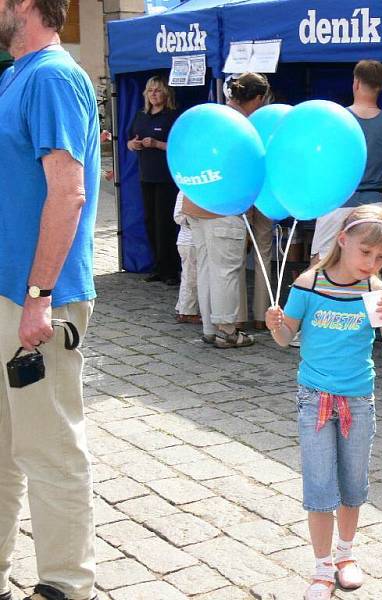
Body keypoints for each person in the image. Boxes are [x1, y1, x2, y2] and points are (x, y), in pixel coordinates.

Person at [0, 0, 100, 597]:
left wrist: (38, 295)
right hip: (11, 292)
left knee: (51, 447)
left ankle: (65, 584)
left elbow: (69, 194)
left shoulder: (55, 76)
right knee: (6, 448)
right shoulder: (17, 75)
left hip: (41, 299)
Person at [266, 205, 382, 600]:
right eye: (366, 252)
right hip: (314, 400)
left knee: (352, 482)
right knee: (319, 482)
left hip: (359, 400)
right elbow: (284, 339)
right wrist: (277, 324)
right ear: (342, 239)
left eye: (380, 257)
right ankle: (322, 565)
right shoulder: (308, 285)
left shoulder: (375, 291)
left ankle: (346, 554)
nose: (372, 263)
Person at [183, 72, 270, 348]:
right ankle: (227, 331)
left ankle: (211, 328)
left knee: (208, 268)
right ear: (257, 98)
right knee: (226, 271)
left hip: (195, 200)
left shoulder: (212, 117)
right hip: (224, 206)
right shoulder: (241, 127)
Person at [309, 59, 382, 265]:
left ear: (356, 83)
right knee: (370, 268)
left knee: (320, 264)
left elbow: (324, 165)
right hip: (374, 205)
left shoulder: (336, 121)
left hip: (336, 202)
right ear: (381, 86)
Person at [126, 75, 180, 285]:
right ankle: (158, 266)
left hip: (165, 177)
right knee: (150, 222)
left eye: (157, 90)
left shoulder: (172, 117)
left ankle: (171, 270)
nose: (154, 94)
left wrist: (157, 144)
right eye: (150, 91)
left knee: (165, 223)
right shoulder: (141, 116)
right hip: (146, 175)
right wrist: (134, 144)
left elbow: (177, 146)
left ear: (166, 93)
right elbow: (130, 141)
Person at [173, 191, 200, 324]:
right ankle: (187, 311)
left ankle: (182, 307)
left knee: (189, 276)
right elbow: (178, 217)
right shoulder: (185, 192)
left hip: (191, 242)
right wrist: (198, 219)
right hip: (189, 242)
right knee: (191, 278)